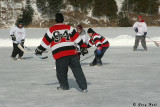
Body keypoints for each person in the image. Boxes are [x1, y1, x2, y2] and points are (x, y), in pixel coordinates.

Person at [35, 13, 88, 92]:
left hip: (60, 54)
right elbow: (78, 39)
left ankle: (64, 86)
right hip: (73, 53)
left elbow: (45, 42)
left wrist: (39, 49)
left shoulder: (51, 30)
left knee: (61, 72)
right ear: (63, 20)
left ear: (55, 20)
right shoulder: (69, 28)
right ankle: (84, 87)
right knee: (77, 70)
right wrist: (83, 47)